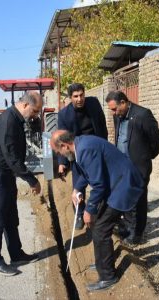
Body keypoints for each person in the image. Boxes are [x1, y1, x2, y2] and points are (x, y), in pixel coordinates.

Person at [50, 130, 144, 291]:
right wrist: (77, 189)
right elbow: (89, 173)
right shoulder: (80, 145)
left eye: (59, 152)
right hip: (114, 182)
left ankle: (108, 276)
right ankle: (103, 262)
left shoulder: (85, 149)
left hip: (123, 184)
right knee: (98, 225)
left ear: (65, 146)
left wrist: (89, 210)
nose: (62, 156)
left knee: (100, 228)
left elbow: (99, 184)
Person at [0, 92, 42, 276]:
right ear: (25, 105)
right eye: (34, 111)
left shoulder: (17, 119)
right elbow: (12, 158)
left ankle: (16, 254)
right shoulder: (8, 121)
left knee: (10, 217)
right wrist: (31, 179)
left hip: (6, 176)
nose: (35, 115)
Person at [105, 91, 159, 245]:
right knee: (125, 196)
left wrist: (145, 157)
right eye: (112, 110)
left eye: (115, 108)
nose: (114, 112)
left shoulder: (143, 115)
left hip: (138, 166)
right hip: (122, 166)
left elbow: (155, 140)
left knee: (138, 199)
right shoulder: (117, 116)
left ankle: (137, 234)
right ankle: (129, 227)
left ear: (124, 102)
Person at [57, 83, 108, 229]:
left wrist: (104, 147)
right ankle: (79, 214)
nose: (79, 99)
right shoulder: (64, 115)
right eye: (76, 96)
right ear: (70, 98)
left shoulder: (94, 103)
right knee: (78, 187)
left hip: (97, 151)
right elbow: (62, 139)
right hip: (78, 154)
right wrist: (62, 162)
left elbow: (102, 127)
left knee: (101, 182)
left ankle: (103, 213)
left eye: (81, 95)